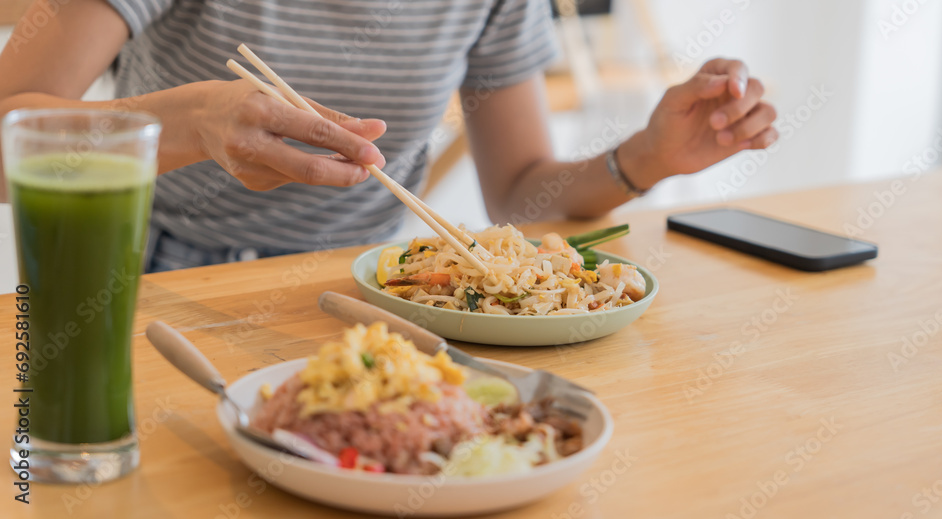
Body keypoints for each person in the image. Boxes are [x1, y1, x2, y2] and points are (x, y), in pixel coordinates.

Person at [0, 0, 777, 272]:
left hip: (358, 282)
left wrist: (643, 159)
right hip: (140, 269)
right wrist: (191, 123)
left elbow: (519, 191)